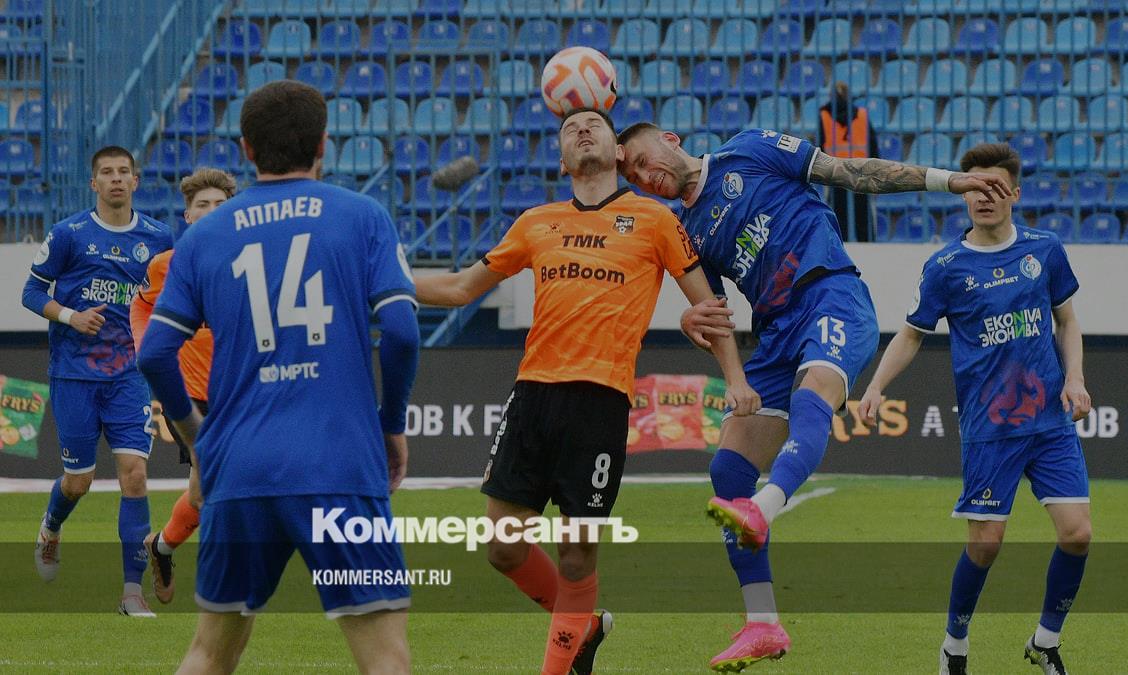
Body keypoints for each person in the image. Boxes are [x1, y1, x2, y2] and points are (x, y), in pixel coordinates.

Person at [616, 123, 1012, 671]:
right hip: (776, 331)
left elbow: (848, 173)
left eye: (641, 159)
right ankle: (762, 623)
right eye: (632, 176)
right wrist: (718, 355)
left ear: (670, 139)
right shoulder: (684, 229)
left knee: (811, 400)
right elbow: (714, 314)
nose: (643, 175)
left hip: (830, 294)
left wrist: (950, 181)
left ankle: (765, 508)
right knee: (728, 470)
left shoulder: (748, 150)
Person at [414, 107, 759, 675]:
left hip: (600, 403)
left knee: (577, 556)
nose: (582, 129)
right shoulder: (535, 223)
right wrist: (383, 282)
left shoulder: (655, 219)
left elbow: (710, 308)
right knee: (503, 548)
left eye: (594, 123)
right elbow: (459, 288)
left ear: (617, 151)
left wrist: (737, 379)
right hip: (533, 397)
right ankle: (585, 625)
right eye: (570, 127)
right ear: (560, 159)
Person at [137, 80, 420, 673]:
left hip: (241, 466)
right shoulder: (363, 216)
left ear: (245, 149)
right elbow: (399, 332)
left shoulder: (204, 236)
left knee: (210, 652)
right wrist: (391, 426)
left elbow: (156, 353)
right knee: (384, 657)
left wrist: (200, 439)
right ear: (323, 144)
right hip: (340, 462)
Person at [857, 143, 1091, 675]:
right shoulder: (946, 267)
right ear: (963, 194)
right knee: (986, 546)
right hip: (990, 427)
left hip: (1050, 422)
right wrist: (875, 387)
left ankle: (1046, 641)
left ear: (1015, 193)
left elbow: (1067, 320)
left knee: (1077, 534)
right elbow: (912, 334)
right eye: (976, 188)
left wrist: (1075, 377)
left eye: (996, 187)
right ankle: (955, 645)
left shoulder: (1045, 250)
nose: (985, 196)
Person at [22, 145, 175, 617]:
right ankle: (51, 528)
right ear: (94, 183)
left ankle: (132, 593)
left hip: (128, 375)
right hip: (74, 374)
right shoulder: (69, 234)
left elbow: (168, 299)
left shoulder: (158, 237)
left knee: (135, 475)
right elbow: (31, 292)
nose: (116, 179)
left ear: (135, 180)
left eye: (123, 172)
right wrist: (71, 316)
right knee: (79, 481)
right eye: (106, 172)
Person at [129, 168, 237, 604]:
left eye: (220, 205)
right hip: (190, 395)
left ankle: (162, 546)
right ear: (188, 215)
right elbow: (141, 307)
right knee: (215, 487)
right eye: (202, 205)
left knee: (201, 490)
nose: (211, 212)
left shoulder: (254, 260)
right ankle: (226, 583)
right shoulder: (165, 266)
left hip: (240, 388)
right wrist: (146, 347)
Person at [817, 82, 879, 243]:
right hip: (861, 172)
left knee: (838, 220)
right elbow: (873, 145)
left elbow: (820, 146)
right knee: (864, 221)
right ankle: (870, 250)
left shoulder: (824, 115)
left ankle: (839, 252)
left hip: (834, 173)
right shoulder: (862, 114)